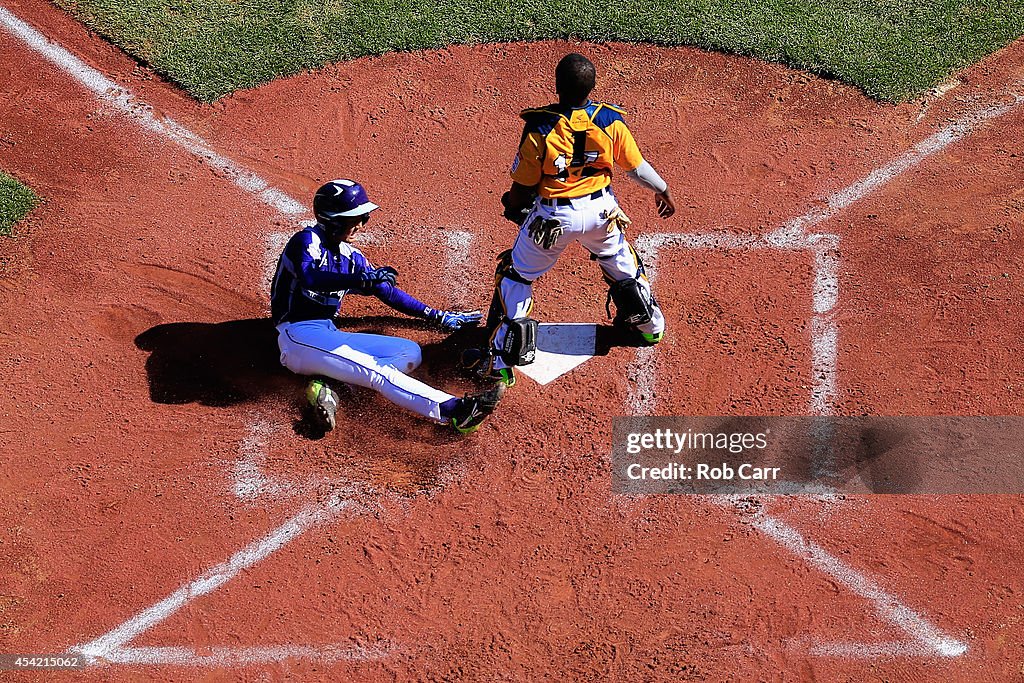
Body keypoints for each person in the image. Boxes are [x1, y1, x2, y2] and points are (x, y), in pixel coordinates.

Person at [465, 53, 676, 387]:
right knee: (620, 263)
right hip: (602, 213)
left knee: (516, 276)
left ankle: (503, 360)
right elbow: (636, 168)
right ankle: (650, 328)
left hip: (553, 218)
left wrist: (513, 205)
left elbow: (522, 187)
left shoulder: (540, 127)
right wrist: (663, 189)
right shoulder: (609, 120)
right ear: (591, 87)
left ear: (557, 86)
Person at [271, 179, 505, 434]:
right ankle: (455, 411)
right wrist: (358, 280)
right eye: (355, 218)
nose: (361, 225)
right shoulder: (306, 241)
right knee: (377, 372)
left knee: (410, 352)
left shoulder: (351, 257)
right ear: (332, 218)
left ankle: (330, 386)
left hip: (327, 334)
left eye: (364, 218)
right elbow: (310, 276)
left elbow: (387, 293)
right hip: (297, 336)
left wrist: (437, 316)